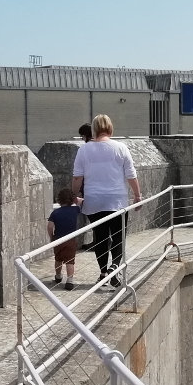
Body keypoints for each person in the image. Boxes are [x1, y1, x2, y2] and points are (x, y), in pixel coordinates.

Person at [71, 114, 141, 289]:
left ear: (94, 129)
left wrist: (74, 196)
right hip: (117, 200)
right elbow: (131, 175)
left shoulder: (84, 150)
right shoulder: (121, 148)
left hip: (94, 201)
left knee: (100, 237)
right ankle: (114, 268)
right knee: (118, 236)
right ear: (110, 128)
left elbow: (77, 177)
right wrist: (137, 196)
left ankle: (103, 273)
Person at [48, 188, 82, 290]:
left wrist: (52, 237)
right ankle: (70, 281)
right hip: (71, 239)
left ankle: (58, 276)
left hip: (58, 239)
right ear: (71, 199)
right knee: (70, 261)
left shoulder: (55, 213)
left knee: (58, 259)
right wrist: (77, 200)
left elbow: (50, 226)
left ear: (59, 200)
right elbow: (81, 202)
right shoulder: (75, 210)